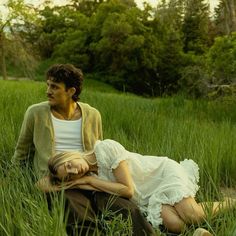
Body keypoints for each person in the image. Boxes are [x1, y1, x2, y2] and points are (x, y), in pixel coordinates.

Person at [12, 64, 155, 236]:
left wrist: (98, 181)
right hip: (59, 179)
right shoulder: (35, 113)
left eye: (55, 87)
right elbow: (21, 153)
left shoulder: (93, 114)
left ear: (71, 91)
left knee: (126, 208)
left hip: (91, 176)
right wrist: (12, 184)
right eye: (48, 85)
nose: (48, 91)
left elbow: (99, 151)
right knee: (76, 210)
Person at [48, 139, 236, 234]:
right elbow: (42, 185)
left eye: (69, 165)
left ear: (69, 155)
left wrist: (88, 182)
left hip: (160, 174)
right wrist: (75, 181)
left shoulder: (105, 148)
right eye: (70, 175)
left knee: (191, 215)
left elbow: (127, 191)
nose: (74, 171)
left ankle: (230, 203)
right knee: (175, 224)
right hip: (148, 194)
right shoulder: (88, 175)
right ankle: (198, 229)